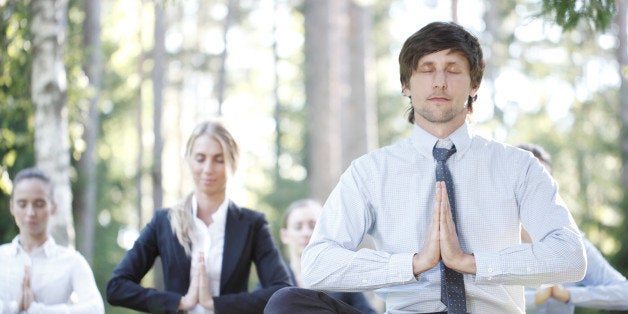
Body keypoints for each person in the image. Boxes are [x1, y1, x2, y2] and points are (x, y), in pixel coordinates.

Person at [265, 21, 586, 314]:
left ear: (474, 84)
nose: (439, 82)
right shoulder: (370, 172)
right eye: (427, 69)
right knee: (287, 303)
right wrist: (413, 264)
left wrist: (471, 263)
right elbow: (318, 265)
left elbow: (571, 257)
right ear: (406, 84)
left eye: (453, 69)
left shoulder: (518, 166)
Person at [106, 119, 291, 314]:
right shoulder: (164, 222)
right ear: (189, 160)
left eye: (219, 160)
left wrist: (216, 304)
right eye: (200, 158)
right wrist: (179, 302)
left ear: (233, 163)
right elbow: (117, 288)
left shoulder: (252, 224)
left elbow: (281, 290)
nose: (208, 169)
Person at [517, 143, 628, 314]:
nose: (539, 188)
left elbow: (624, 294)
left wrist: (569, 294)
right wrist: (536, 298)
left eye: (545, 180)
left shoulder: (571, 243)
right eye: (529, 178)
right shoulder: (490, 240)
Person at [0, 167, 104, 314]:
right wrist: (13, 307)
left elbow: (96, 309)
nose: (30, 213)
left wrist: (38, 310)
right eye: (22, 204)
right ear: (12, 207)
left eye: (39, 204)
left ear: (53, 207)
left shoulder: (72, 261)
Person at [279, 199, 377, 314]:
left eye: (313, 226)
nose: (306, 233)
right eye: (298, 227)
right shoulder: (272, 281)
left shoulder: (340, 276)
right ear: (284, 235)